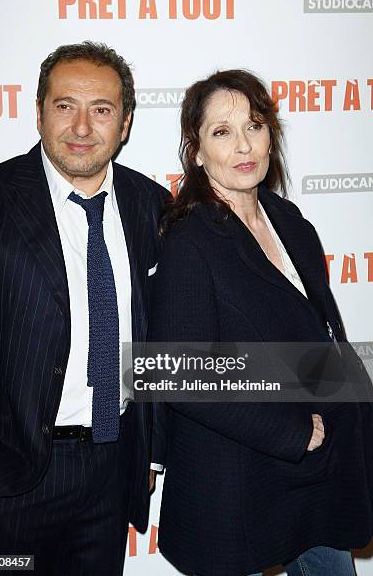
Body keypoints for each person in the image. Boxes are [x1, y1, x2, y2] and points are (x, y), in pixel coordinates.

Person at [149, 70, 373, 575]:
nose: (244, 145)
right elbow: (178, 374)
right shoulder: (190, 241)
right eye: (222, 132)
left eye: (254, 125)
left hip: (315, 477)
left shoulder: (290, 221)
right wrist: (292, 433)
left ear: (272, 134)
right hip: (237, 482)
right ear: (197, 149)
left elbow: (320, 337)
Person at [0, 41, 168, 575]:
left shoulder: (151, 206)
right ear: (38, 112)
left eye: (101, 110)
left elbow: (157, 333)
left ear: (124, 124)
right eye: (64, 106)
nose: (82, 127)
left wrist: (148, 448)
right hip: (6, 480)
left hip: (111, 468)